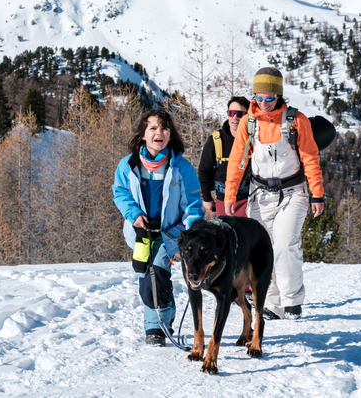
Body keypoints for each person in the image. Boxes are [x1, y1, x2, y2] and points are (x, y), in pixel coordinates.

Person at [224, 67, 324, 320]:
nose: (264, 103)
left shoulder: (295, 120)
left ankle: (292, 300)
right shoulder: (249, 122)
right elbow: (238, 160)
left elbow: (310, 158)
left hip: (293, 192)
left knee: (285, 244)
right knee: (262, 250)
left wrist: (317, 194)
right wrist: (230, 195)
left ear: (279, 96)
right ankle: (271, 303)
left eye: (270, 98)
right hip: (260, 194)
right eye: (259, 97)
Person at [112, 109, 204, 347]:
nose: (158, 133)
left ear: (170, 134)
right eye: (152, 128)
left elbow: (193, 202)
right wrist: (133, 215)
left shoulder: (180, 166)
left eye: (163, 128)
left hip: (169, 233)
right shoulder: (128, 164)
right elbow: (120, 193)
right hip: (140, 233)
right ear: (143, 134)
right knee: (145, 278)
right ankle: (159, 318)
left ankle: (157, 325)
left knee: (159, 274)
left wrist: (192, 229)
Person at [198, 96, 251, 217]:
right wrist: (207, 197)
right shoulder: (216, 141)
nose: (235, 117)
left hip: (249, 199)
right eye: (231, 113)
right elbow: (204, 170)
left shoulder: (254, 140)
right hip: (223, 199)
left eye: (240, 114)